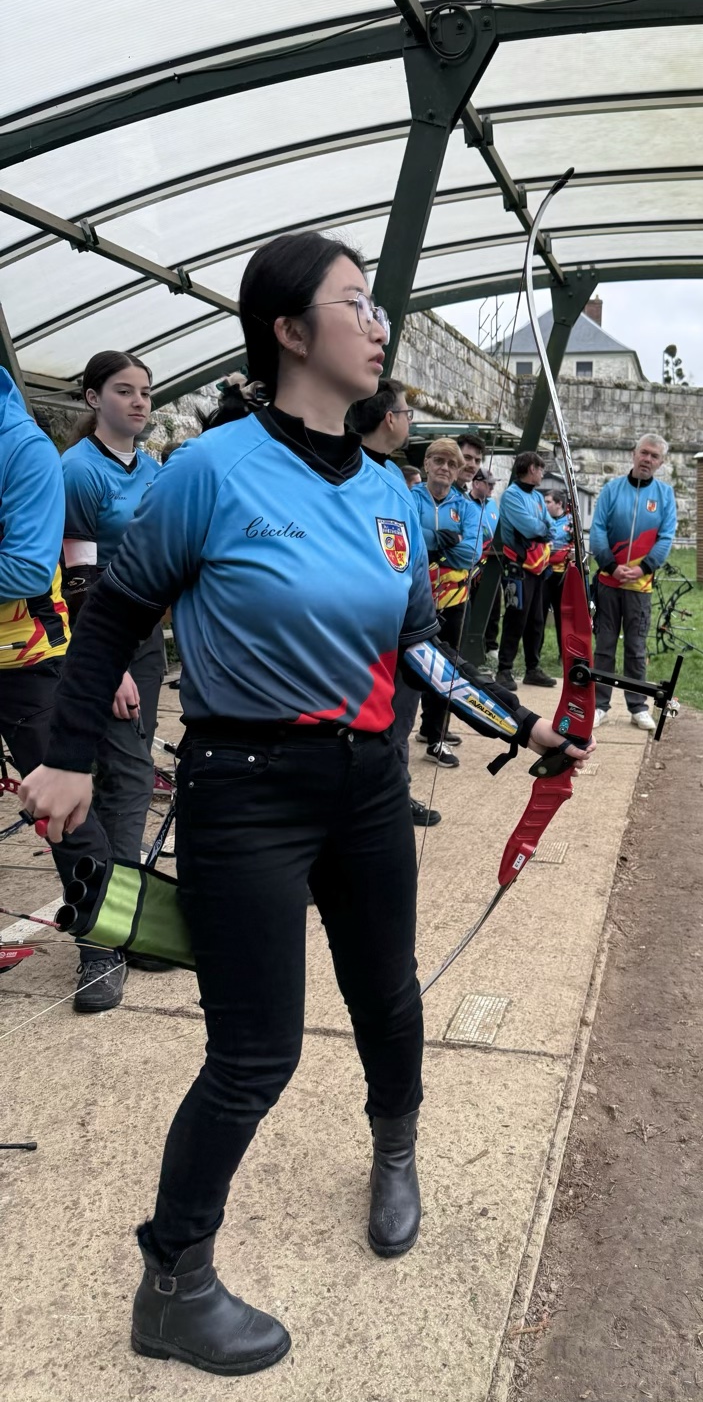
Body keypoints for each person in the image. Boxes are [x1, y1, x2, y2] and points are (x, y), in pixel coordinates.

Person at [19, 230, 592, 1377]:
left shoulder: (390, 493)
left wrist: (519, 724)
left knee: (387, 996)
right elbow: (117, 613)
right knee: (253, 1055)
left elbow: (420, 651)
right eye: (355, 304)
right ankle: (173, 1286)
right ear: (288, 331)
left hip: (369, 787)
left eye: (377, 306)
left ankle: (395, 1151)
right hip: (244, 792)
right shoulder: (210, 470)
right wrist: (71, 755)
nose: (378, 324)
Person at [0, 368, 114, 1000]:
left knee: (61, 807)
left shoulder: (21, 446)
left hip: (25, 659)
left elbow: (24, 567)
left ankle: (102, 942)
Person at [61, 349, 169, 1006]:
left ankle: (122, 922)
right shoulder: (78, 471)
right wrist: (110, 666)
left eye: (146, 392)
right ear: (92, 398)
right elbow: (76, 579)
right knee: (121, 781)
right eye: (124, 390)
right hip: (102, 640)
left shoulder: (152, 469)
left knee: (128, 778)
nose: (138, 402)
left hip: (147, 641)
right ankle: (103, 941)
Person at [350, 379, 438, 825]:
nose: (409, 421)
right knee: (380, 722)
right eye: (406, 413)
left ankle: (393, 793)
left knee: (401, 716)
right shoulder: (349, 471)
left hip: (403, 625)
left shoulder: (390, 476)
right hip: (372, 633)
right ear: (389, 419)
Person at [589, 434, 677, 730]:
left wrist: (644, 568)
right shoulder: (611, 490)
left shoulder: (665, 495)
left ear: (661, 462)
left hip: (640, 586)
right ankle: (599, 705)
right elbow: (597, 530)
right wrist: (611, 566)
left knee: (636, 648)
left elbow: (666, 536)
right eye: (644, 453)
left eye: (654, 456)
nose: (647, 459)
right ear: (633, 453)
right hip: (608, 582)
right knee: (604, 645)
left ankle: (638, 706)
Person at [410, 438, 481, 768]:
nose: (445, 468)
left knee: (446, 669)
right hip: (414, 599)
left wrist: (432, 545)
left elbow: (472, 552)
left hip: (454, 600)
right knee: (407, 669)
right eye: (439, 461)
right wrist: (443, 539)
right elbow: (407, 538)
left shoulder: (466, 507)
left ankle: (434, 736)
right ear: (426, 464)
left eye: (452, 464)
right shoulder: (409, 499)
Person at [495, 451, 557, 692]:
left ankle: (533, 668)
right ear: (532, 468)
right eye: (541, 469)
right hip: (518, 568)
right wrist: (542, 530)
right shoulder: (512, 495)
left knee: (536, 619)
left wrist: (542, 530)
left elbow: (551, 526)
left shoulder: (537, 497)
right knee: (515, 617)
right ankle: (504, 669)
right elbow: (530, 527)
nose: (542, 474)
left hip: (537, 567)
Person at [470, 466, 501, 675]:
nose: (492, 488)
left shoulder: (492, 505)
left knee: (494, 605)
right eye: (488, 484)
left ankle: (491, 645)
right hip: (474, 565)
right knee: (473, 604)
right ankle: (473, 643)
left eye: (493, 485)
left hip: (492, 563)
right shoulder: (465, 503)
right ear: (476, 483)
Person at [541, 488, 572, 661]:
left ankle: (564, 654)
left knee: (562, 617)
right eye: (544, 502)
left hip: (562, 576)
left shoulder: (570, 522)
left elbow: (574, 548)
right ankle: (535, 655)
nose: (545, 505)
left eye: (548, 502)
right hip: (544, 573)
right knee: (539, 615)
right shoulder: (543, 519)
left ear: (559, 503)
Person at [454, 431, 485, 495]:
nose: (473, 465)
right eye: (467, 457)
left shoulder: (465, 498)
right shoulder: (438, 493)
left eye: (477, 461)